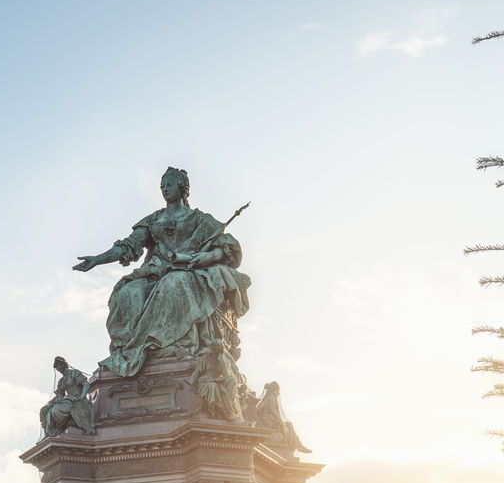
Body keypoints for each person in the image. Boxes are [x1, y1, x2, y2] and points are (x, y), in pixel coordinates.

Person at [73, 167, 252, 377]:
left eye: (169, 184)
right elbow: (129, 245)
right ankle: (128, 352)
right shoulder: (154, 220)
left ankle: (163, 346)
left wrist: (207, 257)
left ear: (182, 188)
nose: (164, 189)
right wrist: (97, 259)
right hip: (155, 271)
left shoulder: (199, 219)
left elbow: (227, 246)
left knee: (172, 284)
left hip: (188, 272)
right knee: (127, 293)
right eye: (162, 185)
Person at [40, 356, 96, 435]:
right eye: (57, 366)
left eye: (60, 365)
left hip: (77, 400)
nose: (59, 367)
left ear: (65, 364)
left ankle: (55, 429)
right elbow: (59, 395)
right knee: (44, 410)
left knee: (55, 410)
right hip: (67, 400)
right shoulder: (61, 381)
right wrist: (51, 402)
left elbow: (86, 385)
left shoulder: (74, 373)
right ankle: (48, 434)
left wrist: (81, 397)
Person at [253, 381, 311, 452]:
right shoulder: (272, 397)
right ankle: (299, 446)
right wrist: (281, 423)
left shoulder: (266, 398)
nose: (279, 393)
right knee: (289, 425)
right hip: (268, 423)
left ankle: (299, 445)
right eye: (278, 391)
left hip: (266, 421)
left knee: (289, 425)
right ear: (275, 390)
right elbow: (274, 411)